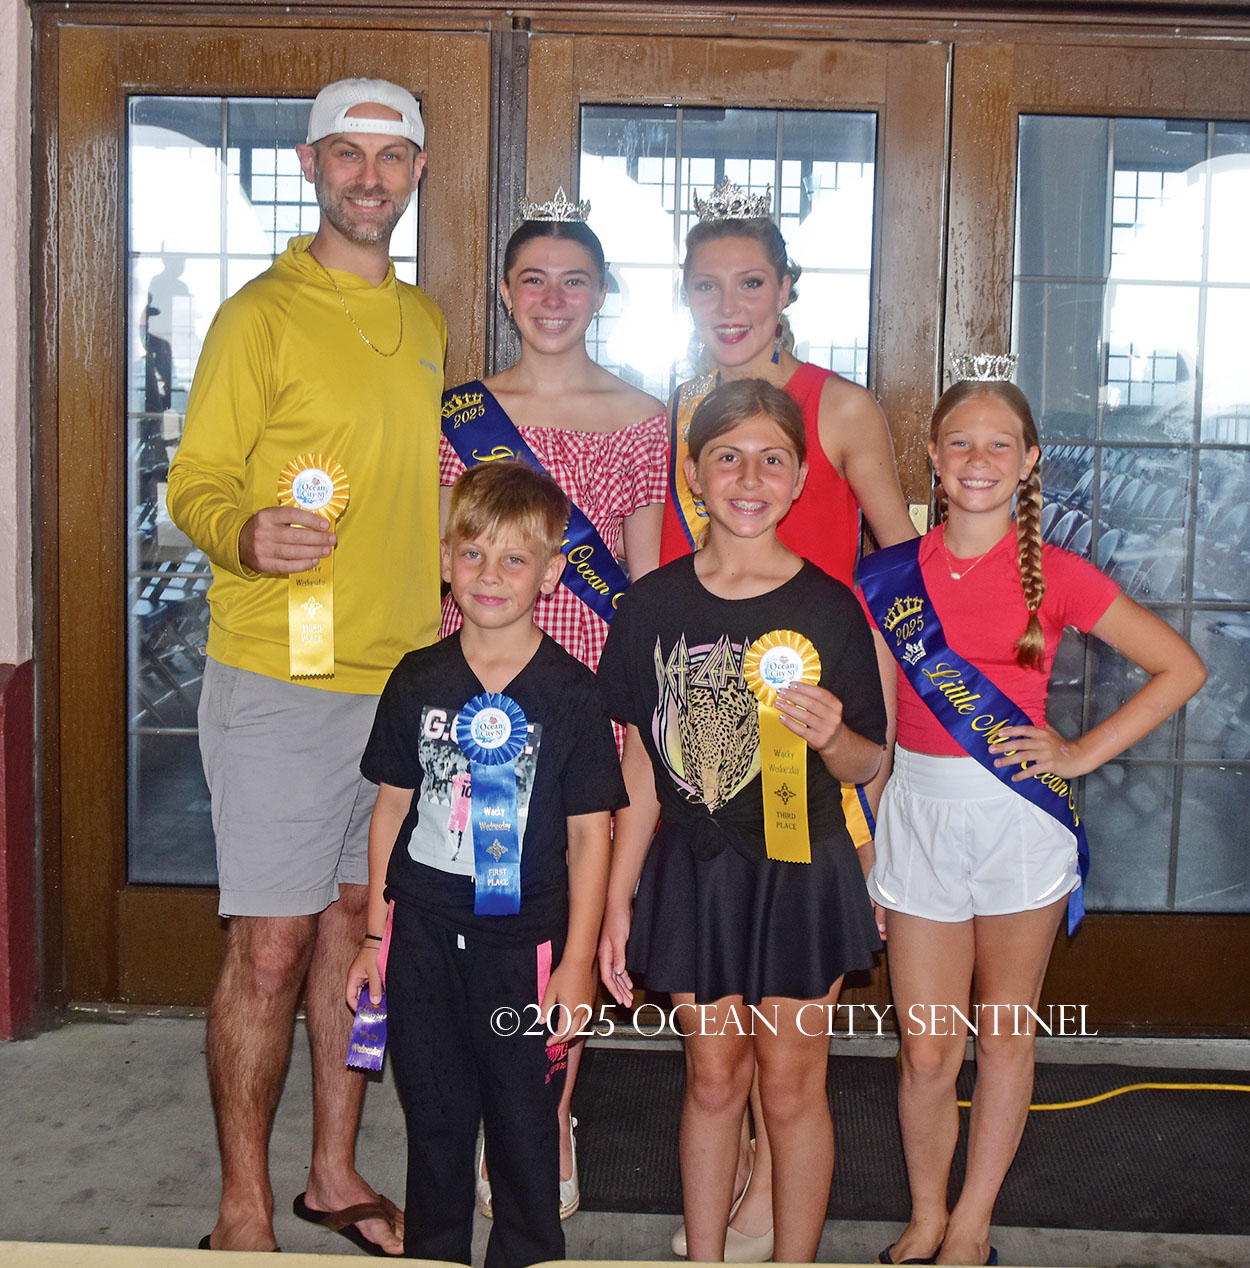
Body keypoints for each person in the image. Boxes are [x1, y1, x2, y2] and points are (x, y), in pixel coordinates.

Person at [166, 78, 445, 1255]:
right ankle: (242, 1207)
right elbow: (194, 482)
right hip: (280, 677)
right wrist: (242, 531)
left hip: (400, 683)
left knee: (352, 928)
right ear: (309, 163)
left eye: (389, 156)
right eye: (346, 153)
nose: (367, 177)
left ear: (417, 172)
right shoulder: (257, 316)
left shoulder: (424, 323)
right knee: (269, 947)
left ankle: (332, 1173)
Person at [858, 377, 1206, 1267]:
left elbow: (1180, 667)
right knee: (927, 1052)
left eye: (999, 444)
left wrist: (1080, 754)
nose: (978, 460)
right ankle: (927, 1217)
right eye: (960, 443)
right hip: (918, 817)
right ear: (932, 457)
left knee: (1006, 1036)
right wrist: (870, 838)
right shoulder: (888, 579)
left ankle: (972, 1226)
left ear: (1029, 462)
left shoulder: (1059, 572)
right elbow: (883, 726)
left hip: (1019, 820)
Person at [659, 178, 916, 1258]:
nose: (729, 306)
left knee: (790, 1030)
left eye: (750, 283)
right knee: (719, 1036)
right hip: (709, 734)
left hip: (822, 714)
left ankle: (774, 1183)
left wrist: (881, 750)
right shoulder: (680, 410)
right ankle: (735, 1174)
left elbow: (898, 572)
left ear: (786, 289)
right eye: (706, 287)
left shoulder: (840, 407)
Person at [597, 378, 888, 1264]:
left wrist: (835, 736)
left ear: (799, 480)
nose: (749, 478)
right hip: (694, 873)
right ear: (693, 475)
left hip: (802, 876)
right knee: (713, 1079)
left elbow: (867, 763)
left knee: (792, 1089)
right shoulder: (651, 606)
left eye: (771, 459)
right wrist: (616, 899)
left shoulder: (830, 606)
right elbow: (641, 764)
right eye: (727, 457)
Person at [439, 197, 666, 1217]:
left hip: (590, 692)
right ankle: (491, 1103)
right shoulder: (462, 413)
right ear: (505, 292)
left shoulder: (641, 417)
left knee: (564, 909)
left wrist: (647, 710)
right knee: (486, 902)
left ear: (602, 293)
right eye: (532, 278)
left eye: (575, 279)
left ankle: (548, 1113)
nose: (553, 297)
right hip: (484, 686)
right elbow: (444, 560)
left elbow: (647, 584)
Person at [347, 460, 626, 1268]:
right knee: (433, 1123)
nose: (491, 575)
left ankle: (527, 1250)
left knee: (524, 1128)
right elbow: (391, 811)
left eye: (514, 558)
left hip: (526, 948)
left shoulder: (573, 694)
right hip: (423, 939)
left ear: (551, 572)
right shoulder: (417, 678)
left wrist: (576, 964)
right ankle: (434, 1252)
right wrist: (375, 938)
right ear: (446, 560)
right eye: (473, 554)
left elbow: (591, 837)